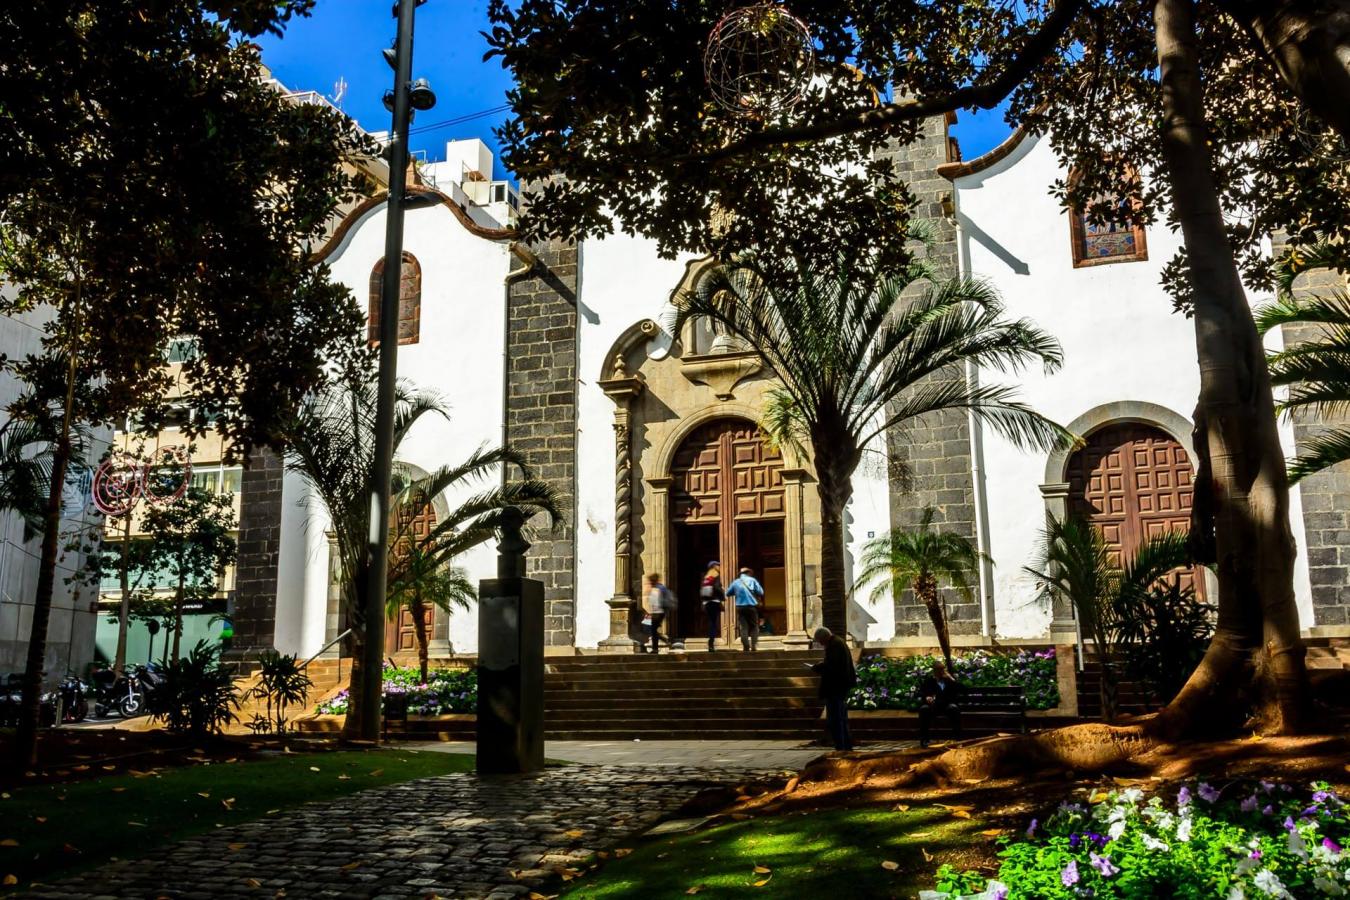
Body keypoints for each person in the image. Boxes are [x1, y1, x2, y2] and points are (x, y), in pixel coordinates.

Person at [811, 626, 856, 750]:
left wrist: (818, 667)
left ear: (824, 638)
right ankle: (845, 746)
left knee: (836, 719)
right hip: (840, 686)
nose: (820, 644)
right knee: (840, 718)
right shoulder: (837, 642)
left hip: (836, 687)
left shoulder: (835, 645)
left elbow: (832, 667)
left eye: (820, 641)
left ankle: (841, 747)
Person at [917, 661, 963, 748]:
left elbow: (962, 689)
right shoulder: (929, 681)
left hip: (947, 706)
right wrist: (927, 697)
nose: (942, 672)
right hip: (933, 706)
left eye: (943, 669)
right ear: (934, 671)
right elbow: (922, 693)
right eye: (939, 670)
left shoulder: (949, 681)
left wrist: (951, 678)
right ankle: (924, 739)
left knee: (954, 708)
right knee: (923, 709)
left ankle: (958, 739)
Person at [726, 567, 764, 652]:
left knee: (743, 627)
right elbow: (761, 592)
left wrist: (736, 592)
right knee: (754, 626)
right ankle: (753, 646)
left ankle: (746, 646)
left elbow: (728, 593)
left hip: (740, 607)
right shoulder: (753, 580)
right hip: (751, 606)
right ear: (748, 573)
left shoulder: (736, 582)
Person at [643, 572, 677, 654]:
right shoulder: (655, 588)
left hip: (659, 612)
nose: (649, 582)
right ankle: (662, 641)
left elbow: (660, 601)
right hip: (655, 612)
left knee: (653, 630)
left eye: (650, 580)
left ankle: (656, 648)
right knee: (652, 630)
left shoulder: (660, 588)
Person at [700, 561, 725, 652]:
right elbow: (717, 588)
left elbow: (702, 591)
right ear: (714, 566)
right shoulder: (716, 576)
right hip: (714, 602)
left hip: (707, 603)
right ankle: (711, 643)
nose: (719, 566)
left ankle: (710, 642)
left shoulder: (706, 577)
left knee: (711, 622)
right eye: (718, 565)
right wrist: (723, 597)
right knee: (713, 623)